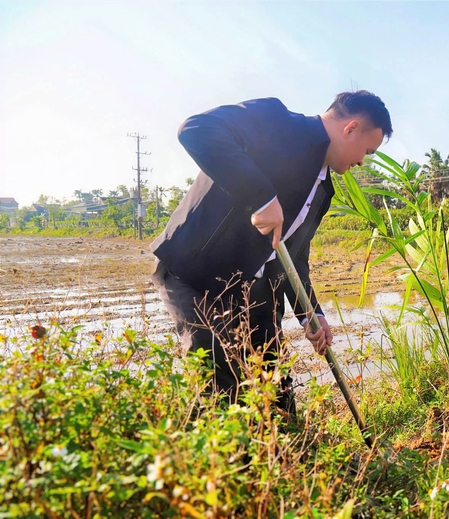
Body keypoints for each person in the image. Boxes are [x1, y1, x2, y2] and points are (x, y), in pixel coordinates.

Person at [150, 91, 393, 415]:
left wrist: (311, 315)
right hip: (194, 273)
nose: (363, 160)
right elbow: (197, 129)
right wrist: (261, 197)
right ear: (350, 129)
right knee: (221, 381)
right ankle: (220, 460)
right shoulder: (277, 121)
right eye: (367, 150)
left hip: (252, 288)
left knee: (274, 382)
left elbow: (293, 257)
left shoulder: (322, 190)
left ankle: (287, 457)